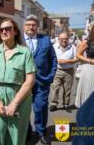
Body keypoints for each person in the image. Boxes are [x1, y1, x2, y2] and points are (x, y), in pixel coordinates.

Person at [0, 19, 36, 145]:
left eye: (8, 28)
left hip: (20, 100)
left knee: (15, 138)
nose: (4, 31)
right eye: (1, 29)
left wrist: (14, 103)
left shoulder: (25, 52)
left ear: (15, 32)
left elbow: (30, 80)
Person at [23, 15, 57, 144]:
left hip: (41, 81)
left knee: (41, 107)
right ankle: (26, 131)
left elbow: (53, 59)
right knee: (22, 108)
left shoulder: (45, 40)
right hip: (22, 82)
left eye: (33, 25)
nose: (31, 27)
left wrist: (50, 77)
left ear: (37, 26)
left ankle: (41, 131)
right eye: (28, 24)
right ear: (24, 26)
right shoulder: (18, 40)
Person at [75, 19, 94, 107]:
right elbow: (78, 55)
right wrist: (90, 61)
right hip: (90, 71)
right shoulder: (87, 42)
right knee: (89, 93)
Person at [50, 32, 78, 112]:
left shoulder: (73, 47)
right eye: (62, 39)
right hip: (57, 70)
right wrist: (58, 61)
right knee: (55, 87)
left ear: (68, 39)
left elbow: (76, 59)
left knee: (67, 89)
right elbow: (50, 58)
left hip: (69, 70)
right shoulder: (54, 47)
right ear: (58, 39)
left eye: (66, 38)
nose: (64, 40)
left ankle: (66, 104)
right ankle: (54, 104)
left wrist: (66, 61)